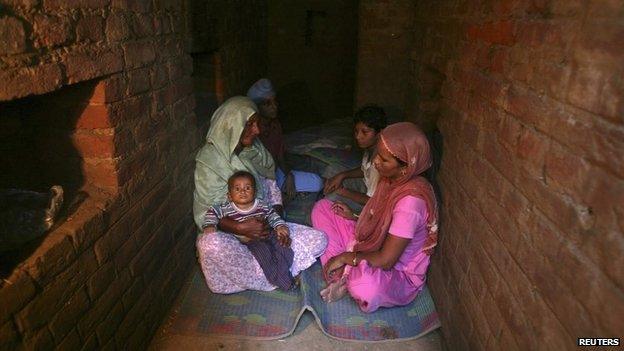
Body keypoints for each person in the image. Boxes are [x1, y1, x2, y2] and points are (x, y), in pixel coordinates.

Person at [193, 96, 327, 294]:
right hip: (231, 236)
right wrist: (240, 227)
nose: (257, 130)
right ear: (232, 125)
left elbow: (272, 190)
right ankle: (274, 276)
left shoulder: (256, 150)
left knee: (319, 239)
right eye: (250, 124)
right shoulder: (209, 161)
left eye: (257, 123)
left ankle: (253, 275)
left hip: (265, 230)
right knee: (209, 244)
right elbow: (207, 213)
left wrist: (276, 224)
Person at [310, 122, 438, 313]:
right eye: (378, 154)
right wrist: (353, 217)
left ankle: (346, 274)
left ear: (406, 167)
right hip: (372, 245)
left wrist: (345, 256)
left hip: (395, 272)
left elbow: (387, 260)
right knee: (323, 208)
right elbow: (379, 222)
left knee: (365, 286)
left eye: (384, 160)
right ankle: (342, 275)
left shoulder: (410, 203)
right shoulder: (391, 180)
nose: (376, 162)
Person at [202, 171, 295, 290]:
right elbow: (212, 211)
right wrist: (209, 225)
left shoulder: (261, 205)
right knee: (265, 254)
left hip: (268, 234)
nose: (242, 191)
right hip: (250, 241)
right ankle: (283, 282)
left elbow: (272, 216)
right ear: (229, 195)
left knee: (285, 248)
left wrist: (280, 226)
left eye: (247, 188)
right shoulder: (227, 208)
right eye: (237, 189)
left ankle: (284, 273)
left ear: (254, 192)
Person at [247, 78, 324, 200]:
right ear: (257, 107)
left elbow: (280, 155)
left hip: (276, 173)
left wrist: (289, 175)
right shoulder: (251, 130)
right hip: (259, 178)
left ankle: (281, 189)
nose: (274, 107)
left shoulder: (275, 124)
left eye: (274, 102)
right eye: (267, 103)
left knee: (318, 182)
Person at [323, 105, 387, 211]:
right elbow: (365, 170)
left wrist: (343, 191)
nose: (358, 137)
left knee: (332, 197)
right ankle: (328, 195)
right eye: (356, 131)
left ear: (379, 133)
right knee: (333, 169)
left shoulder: (379, 162)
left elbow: (372, 201)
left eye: (365, 132)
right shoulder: (370, 148)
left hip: (371, 206)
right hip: (366, 186)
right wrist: (342, 175)